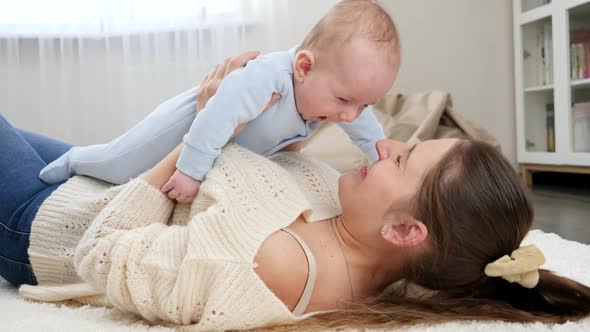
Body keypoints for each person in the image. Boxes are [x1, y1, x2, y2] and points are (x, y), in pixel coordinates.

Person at [2, 54, 590, 332]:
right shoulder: (374, 237)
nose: (383, 146)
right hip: (100, 180)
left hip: (48, 221)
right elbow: (262, 178)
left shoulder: (268, 265)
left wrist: (202, 132)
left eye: (404, 158)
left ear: (406, 230)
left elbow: (101, 249)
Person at [38, 0, 401, 203]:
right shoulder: (267, 78)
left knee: (126, 179)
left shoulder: (332, 94)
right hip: (186, 124)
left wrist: (379, 151)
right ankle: (75, 159)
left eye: (364, 104)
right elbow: (215, 118)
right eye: (345, 100)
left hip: (214, 135)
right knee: (118, 164)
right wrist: (191, 171)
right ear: (305, 66)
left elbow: (364, 128)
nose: (350, 114)